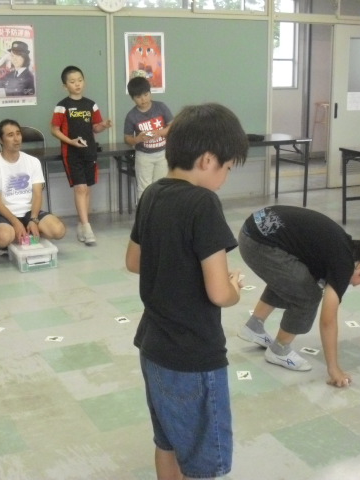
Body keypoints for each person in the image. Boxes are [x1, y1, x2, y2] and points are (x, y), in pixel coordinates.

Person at [125, 103, 248, 479]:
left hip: (154, 346)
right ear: (208, 159)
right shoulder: (203, 203)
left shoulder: (152, 193)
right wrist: (234, 288)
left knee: (168, 442)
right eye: (228, 167)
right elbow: (218, 293)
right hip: (193, 355)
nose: (225, 177)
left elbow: (134, 261)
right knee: (203, 459)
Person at [237, 206, 360, 387]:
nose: (357, 285)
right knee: (308, 295)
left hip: (254, 229)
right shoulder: (344, 263)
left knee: (293, 279)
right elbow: (328, 320)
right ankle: (279, 350)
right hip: (258, 243)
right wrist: (334, 368)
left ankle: (254, 327)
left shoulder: (341, 245)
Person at [0, 119, 66, 254]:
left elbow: (37, 194)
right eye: (10, 135)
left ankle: (26, 233)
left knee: (58, 230)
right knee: (1, 238)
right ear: (0, 140)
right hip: (5, 214)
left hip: (29, 212)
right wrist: (15, 222)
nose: (16, 139)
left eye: (18, 133)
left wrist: (34, 219)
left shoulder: (33, 161)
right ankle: (16, 235)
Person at [51, 65, 112, 245]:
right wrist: (70, 142)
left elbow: (95, 128)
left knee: (87, 188)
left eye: (79, 80)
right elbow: (54, 130)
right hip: (71, 153)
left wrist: (104, 125)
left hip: (89, 151)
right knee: (80, 188)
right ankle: (87, 227)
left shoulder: (91, 104)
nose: (77, 84)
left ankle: (82, 224)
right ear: (65, 86)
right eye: (72, 81)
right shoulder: (62, 106)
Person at [123, 76, 173, 199]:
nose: (143, 99)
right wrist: (137, 139)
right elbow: (127, 138)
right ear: (132, 98)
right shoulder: (131, 116)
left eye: (146, 95)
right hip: (144, 156)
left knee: (161, 187)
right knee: (144, 188)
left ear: (150, 93)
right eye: (138, 97)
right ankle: (144, 210)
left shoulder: (161, 107)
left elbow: (173, 126)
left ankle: (158, 210)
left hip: (162, 154)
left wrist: (159, 132)